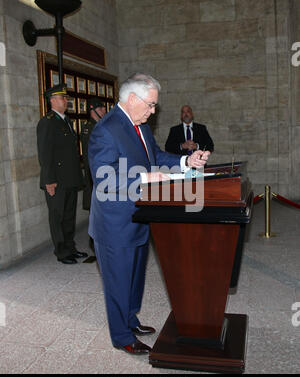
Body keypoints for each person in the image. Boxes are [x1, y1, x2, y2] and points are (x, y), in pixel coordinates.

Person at [88, 73, 210, 355]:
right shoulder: (106, 129)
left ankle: (130, 320)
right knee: (118, 281)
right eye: (151, 105)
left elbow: (154, 156)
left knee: (134, 278)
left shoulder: (139, 124)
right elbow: (104, 179)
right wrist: (144, 178)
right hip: (115, 223)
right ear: (132, 99)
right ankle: (122, 336)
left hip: (141, 216)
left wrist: (185, 161)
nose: (154, 111)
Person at [37, 83, 88, 265]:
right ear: (52, 100)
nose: (66, 101)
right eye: (62, 98)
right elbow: (45, 153)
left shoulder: (65, 121)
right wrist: (49, 180)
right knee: (57, 217)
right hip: (56, 180)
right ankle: (61, 252)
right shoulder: (47, 122)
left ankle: (70, 247)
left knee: (69, 216)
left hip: (70, 178)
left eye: (66, 98)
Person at [80, 98, 106, 263]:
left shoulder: (100, 126)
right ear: (92, 110)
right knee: (95, 215)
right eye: (101, 108)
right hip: (95, 177)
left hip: (102, 176)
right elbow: (92, 158)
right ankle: (95, 248)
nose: (104, 111)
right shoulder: (89, 129)